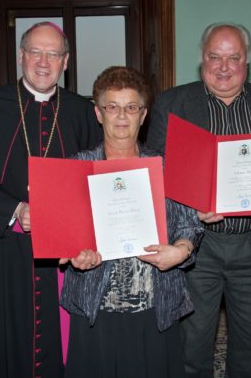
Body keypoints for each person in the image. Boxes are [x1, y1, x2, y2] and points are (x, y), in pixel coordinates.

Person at [0, 22, 102, 377]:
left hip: (64, 253)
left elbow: (98, 179)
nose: (43, 62)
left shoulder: (81, 111)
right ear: (20, 56)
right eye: (35, 52)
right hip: (4, 250)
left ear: (66, 61)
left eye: (53, 54)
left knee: (66, 346)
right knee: (4, 340)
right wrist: (14, 211)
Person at [146, 23, 251, 377]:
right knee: (192, 344)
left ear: (248, 61)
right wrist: (189, 209)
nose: (224, 67)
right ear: (202, 59)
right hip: (198, 247)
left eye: (234, 58)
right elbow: (153, 176)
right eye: (215, 57)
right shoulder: (172, 103)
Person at [59, 66, 203, 378]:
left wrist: (181, 250)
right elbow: (66, 235)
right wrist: (76, 254)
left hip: (154, 307)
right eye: (112, 107)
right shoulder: (75, 167)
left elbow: (190, 224)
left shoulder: (166, 167)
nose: (122, 116)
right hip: (95, 305)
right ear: (99, 113)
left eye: (131, 107)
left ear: (144, 114)